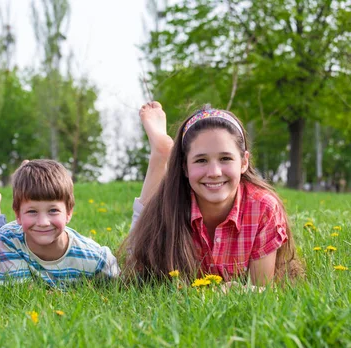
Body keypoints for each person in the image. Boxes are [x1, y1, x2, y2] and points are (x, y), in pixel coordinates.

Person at [124, 101, 304, 286]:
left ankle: (163, 155)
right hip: (156, 222)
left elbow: (261, 291)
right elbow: (140, 273)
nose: (215, 172)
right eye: (201, 160)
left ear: (244, 162)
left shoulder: (263, 207)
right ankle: (161, 154)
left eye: (225, 158)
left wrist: (231, 291)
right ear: (185, 167)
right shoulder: (172, 202)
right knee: (131, 255)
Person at [0, 160, 120, 288]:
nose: (43, 223)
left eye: (53, 210)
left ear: (69, 213)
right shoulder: (8, 238)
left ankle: (27, 176)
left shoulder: (93, 258)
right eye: (32, 211)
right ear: (18, 215)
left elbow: (119, 281)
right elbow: (20, 294)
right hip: (15, 245)